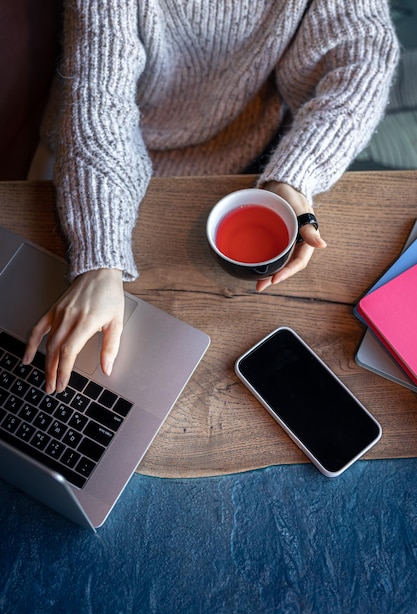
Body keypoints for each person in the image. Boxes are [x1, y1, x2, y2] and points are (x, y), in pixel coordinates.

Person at [23, 0, 399, 394]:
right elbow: (100, 100)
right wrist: (99, 260)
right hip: (91, 154)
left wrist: (294, 175)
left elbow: (363, 56)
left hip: (242, 154)